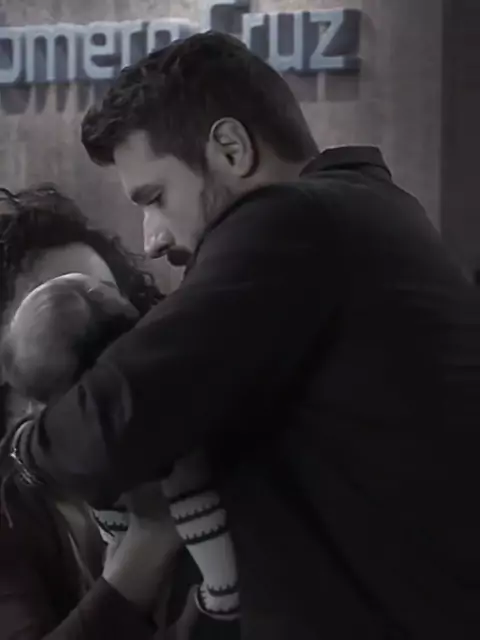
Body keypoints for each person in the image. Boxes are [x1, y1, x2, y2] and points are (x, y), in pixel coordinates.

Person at [11, 31, 480, 639]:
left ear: (231, 149)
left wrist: (26, 447)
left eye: (156, 198)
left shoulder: (292, 223)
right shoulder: (370, 212)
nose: (152, 238)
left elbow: (110, 425)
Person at [0, 185, 238, 639]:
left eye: (101, 295)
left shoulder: (197, 434)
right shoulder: (11, 507)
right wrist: (149, 541)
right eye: (49, 307)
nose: (88, 321)